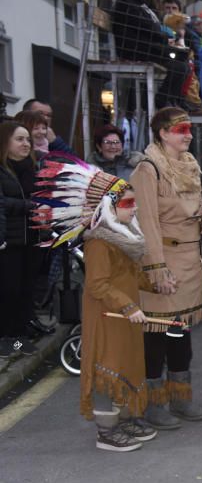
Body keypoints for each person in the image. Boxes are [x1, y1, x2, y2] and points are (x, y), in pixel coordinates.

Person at [32, 158, 158, 450]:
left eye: (133, 203)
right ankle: (106, 431)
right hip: (107, 316)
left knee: (126, 365)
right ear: (109, 208)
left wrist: (156, 285)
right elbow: (98, 284)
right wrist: (128, 306)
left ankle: (125, 418)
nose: (134, 208)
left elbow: (129, 275)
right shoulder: (99, 241)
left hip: (124, 315)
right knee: (108, 367)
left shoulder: (123, 237)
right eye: (127, 204)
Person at [132, 108, 202, 429]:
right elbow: (147, 224)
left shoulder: (190, 166)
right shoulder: (148, 168)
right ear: (163, 133)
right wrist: (157, 270)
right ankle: (154, 404)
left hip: (190, 264)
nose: (189, 134)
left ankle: (181, 398)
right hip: (163, 263)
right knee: (156, 335)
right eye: (181, 129)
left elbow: (194, 216)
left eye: (190, 129)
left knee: (180, 333)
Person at [110, 0, 189, 111]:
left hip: (143, 47)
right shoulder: (127, 4)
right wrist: (165, 38)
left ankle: (171, 99)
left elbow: (149, 27)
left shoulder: (132, 4)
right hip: (137, 50)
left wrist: (163, 38)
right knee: (180, 65)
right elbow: (148, 27)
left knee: (183, 61)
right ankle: (164, 99)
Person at [0, 121, 41, 357]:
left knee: (25, 291)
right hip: (9, 243)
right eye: (19, 139)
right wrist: (28, 206)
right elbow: (2, 202)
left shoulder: (29, 168)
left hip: (30, 240)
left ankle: (19, 339)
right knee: (9, 292)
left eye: (28, 139)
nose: (26, 144)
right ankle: (8, 340)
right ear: (5, 141)